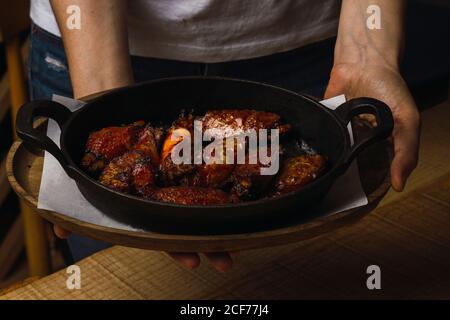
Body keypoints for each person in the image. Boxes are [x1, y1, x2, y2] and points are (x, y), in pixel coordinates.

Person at [29, 0, 420, 272]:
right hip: (95, 42)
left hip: (309, 51)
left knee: (304, 280)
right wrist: (105, 98)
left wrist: (369, 53)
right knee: (113, 277)